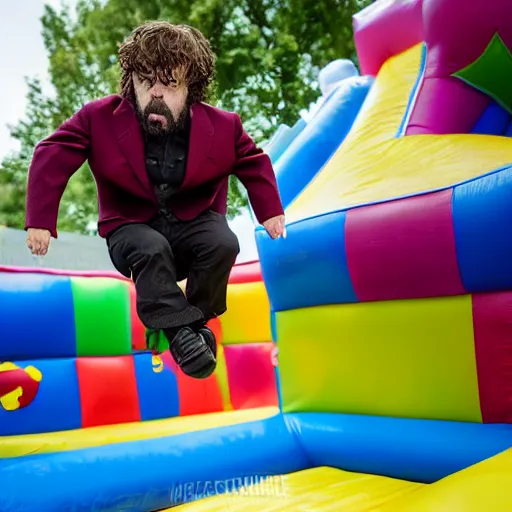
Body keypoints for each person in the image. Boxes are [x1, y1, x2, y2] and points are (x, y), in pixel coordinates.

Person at [24, 22, 285, 379]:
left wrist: (271, 211)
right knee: (150, 247)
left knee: (224, 242)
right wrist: (40, 218)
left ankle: (195, 322)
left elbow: (253, 161)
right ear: (132, 82)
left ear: (191, 86)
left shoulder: (224, 126)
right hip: (133, 228)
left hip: (194, 223)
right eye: (146, 82)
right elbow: (53, 151)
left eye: (170, 83)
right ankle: (181, 333)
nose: (156, 93)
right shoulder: (98, 118)